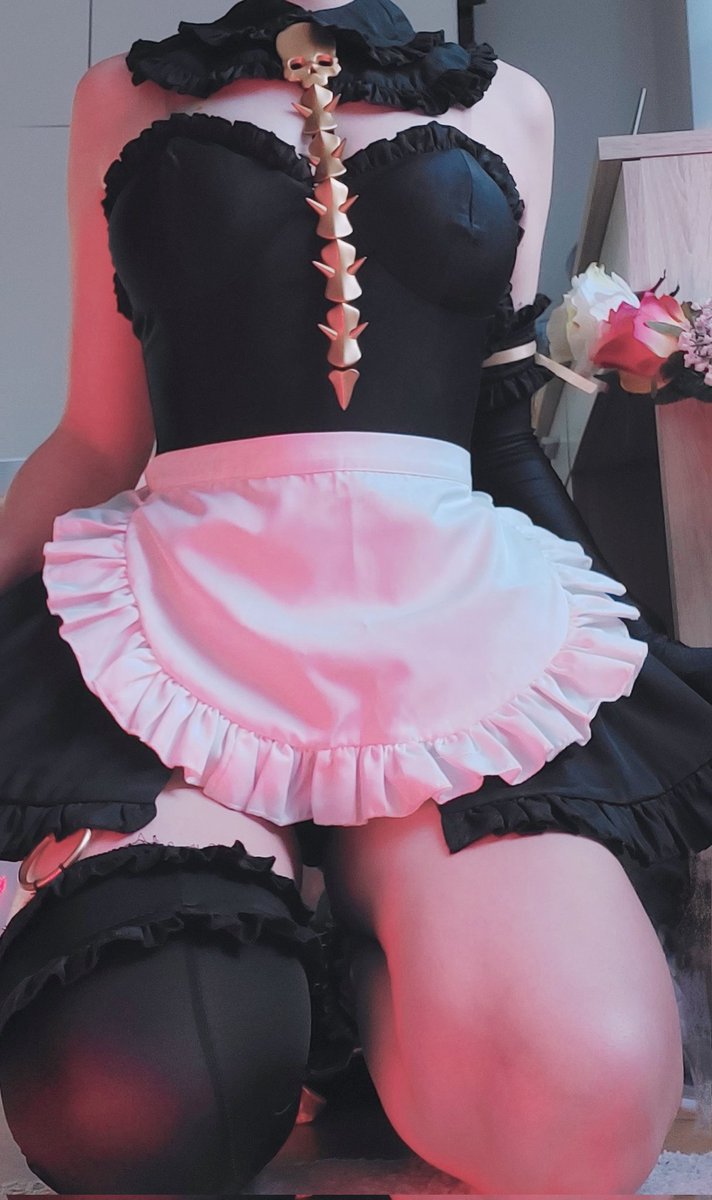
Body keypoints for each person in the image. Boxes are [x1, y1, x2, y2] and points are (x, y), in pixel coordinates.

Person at [0, 0, 712, 1191]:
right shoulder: (122, 93)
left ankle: (346, 977)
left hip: (451, 627)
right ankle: (299, 956)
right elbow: (96, 437)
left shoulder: (511, 103)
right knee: (137, 1102)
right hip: (178, 622)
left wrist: (600, 654)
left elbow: (494, 424)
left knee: (577, 1111)